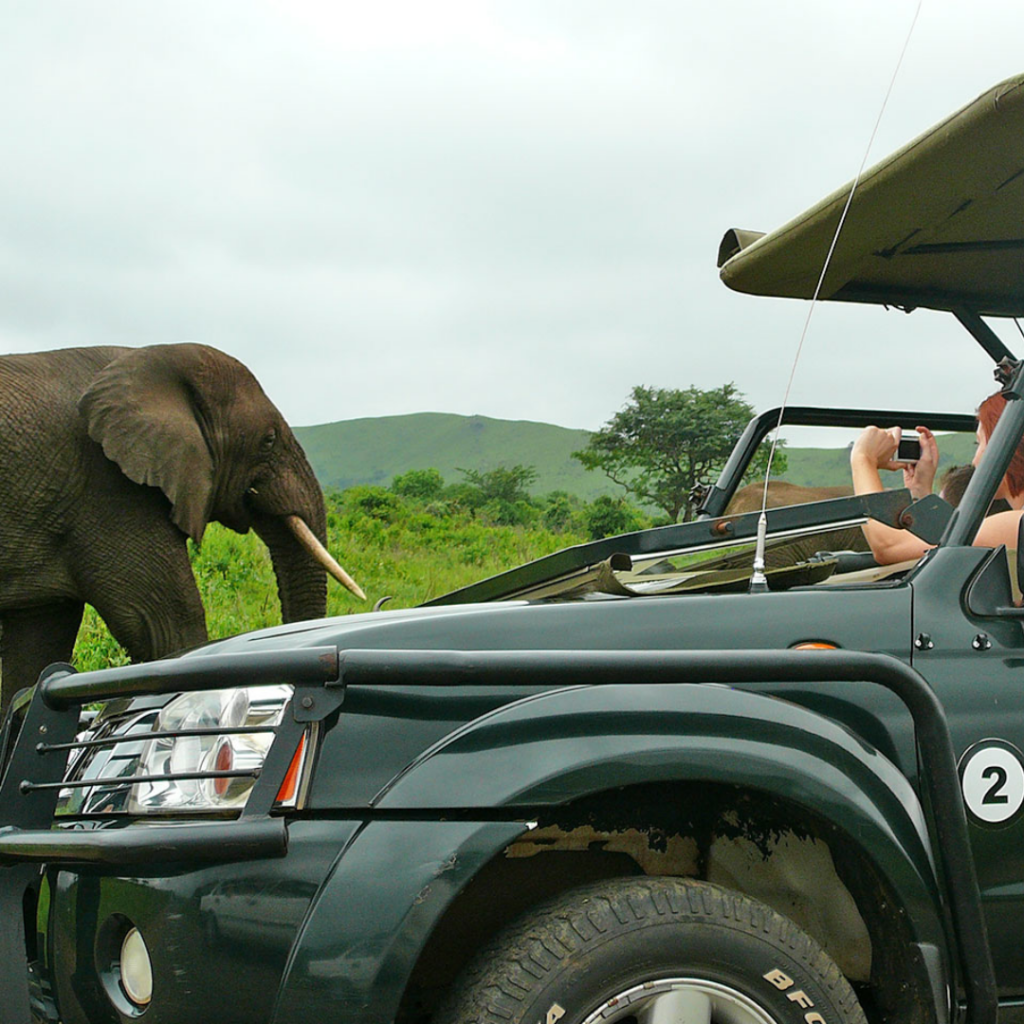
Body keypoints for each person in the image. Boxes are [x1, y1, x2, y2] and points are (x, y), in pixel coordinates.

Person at [850, 392, 1024, 565]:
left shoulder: (1018, 524)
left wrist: (863, 459)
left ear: (1007, 446)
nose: (974, 460)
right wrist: (920, 491)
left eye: (979, 443)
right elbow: (945, 542)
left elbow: (889, 546)